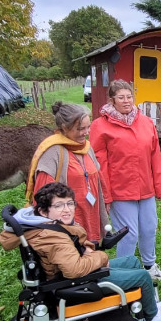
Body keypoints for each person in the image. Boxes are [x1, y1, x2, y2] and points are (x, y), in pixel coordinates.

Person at [0, 182, 161, 321]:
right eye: (59, 205)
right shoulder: (51, 236)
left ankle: (142, 306)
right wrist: (99, 258)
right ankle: (152, 317)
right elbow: (74, 269)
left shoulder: (44, 226)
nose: (67, 209)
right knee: (142, 276)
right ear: (44, 211)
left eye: (70, 203)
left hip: (73, 273)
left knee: (132, 261)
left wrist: (88, 250)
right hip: (77, 282)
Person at [90, 80, 161, 281]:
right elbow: (100, 165)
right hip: (120, 191)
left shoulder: (145, 123)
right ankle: (122, 272)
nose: (126, 101)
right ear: (112, 100)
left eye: (129, 96)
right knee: (129, 233)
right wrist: (106, 196)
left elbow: (155, 157)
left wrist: (159, 187)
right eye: (121, 97)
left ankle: (150, 266)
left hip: (145, 188)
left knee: (149, 228)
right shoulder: (100, 127)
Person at [25, 102, 110, 241]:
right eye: (80, 128)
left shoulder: (87, 148)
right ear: (65, 127)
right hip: (68, 218)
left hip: (90, 211)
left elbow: (97, 177)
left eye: (88, 127)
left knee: (91, 253)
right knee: (74, 255)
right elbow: (43, 195)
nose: (86, 132)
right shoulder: (52, 152)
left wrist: (105, 199)